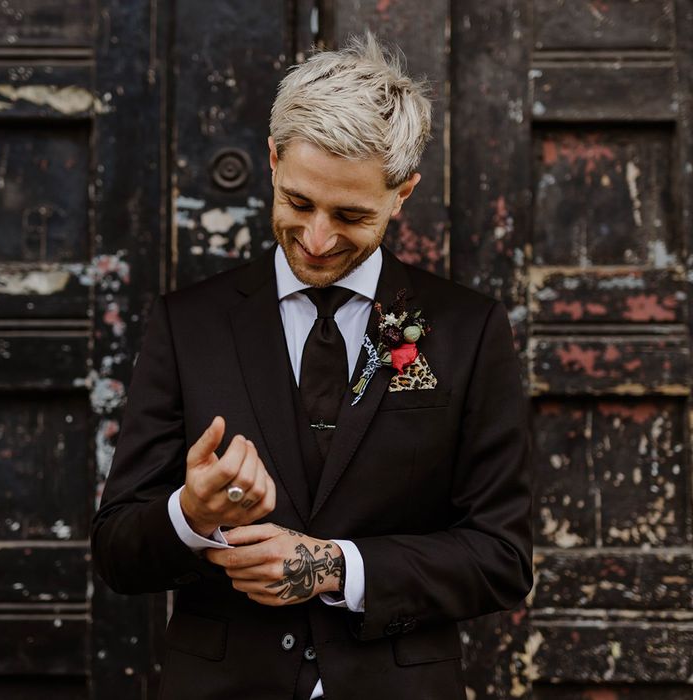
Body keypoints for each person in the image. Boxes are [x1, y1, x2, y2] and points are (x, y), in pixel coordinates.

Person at [91, 33, 532, 700]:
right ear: (272, 161)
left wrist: (336, 567)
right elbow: (117, 552)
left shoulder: (469, 330)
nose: (317, 239)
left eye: (351, 214)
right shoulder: (190, 323)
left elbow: (503, 558)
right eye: (298, 203)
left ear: (402, 192)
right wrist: (190, 512)